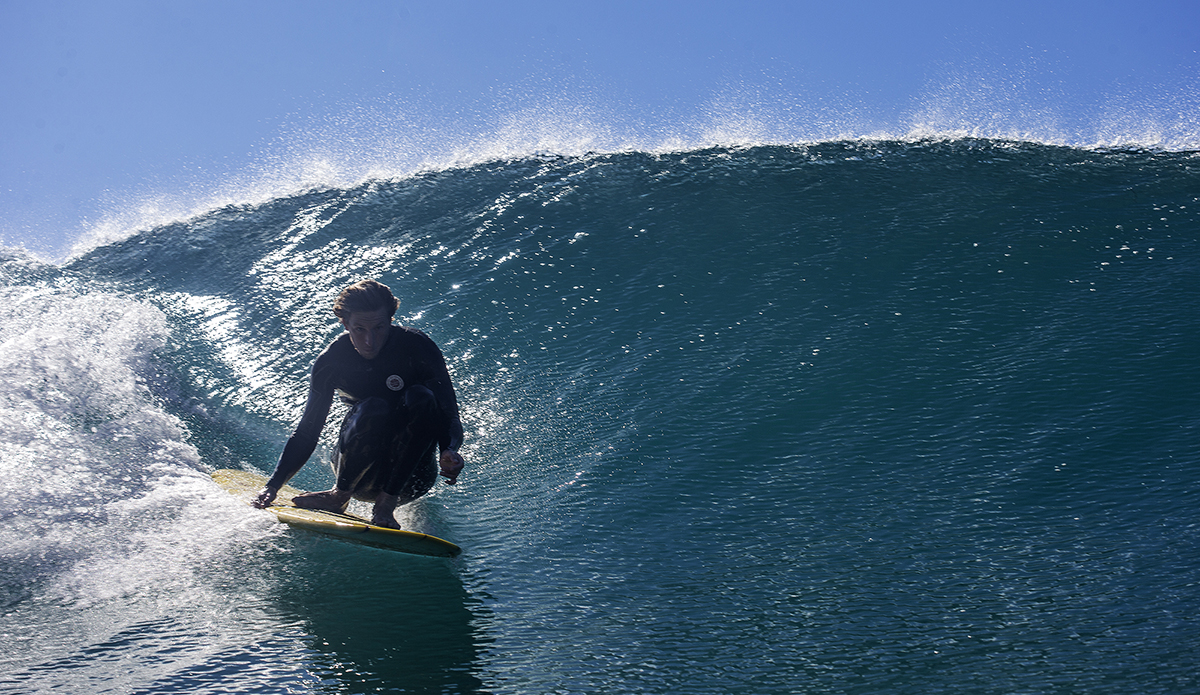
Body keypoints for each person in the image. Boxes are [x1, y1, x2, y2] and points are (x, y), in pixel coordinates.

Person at [253, 279, 465, 529]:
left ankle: (386, 503)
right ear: (345, 324)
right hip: (359, 478)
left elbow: (449, 414)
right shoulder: (333, 360)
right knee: (373, 408)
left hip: (414, 479)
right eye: (360, 329)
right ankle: (338, 496)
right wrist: (273, 485)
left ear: (391, 320)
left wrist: (449, 449)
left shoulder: (418, 347)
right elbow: (307, 432)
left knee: (422, 396)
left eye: (379, 328)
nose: (369, 341)